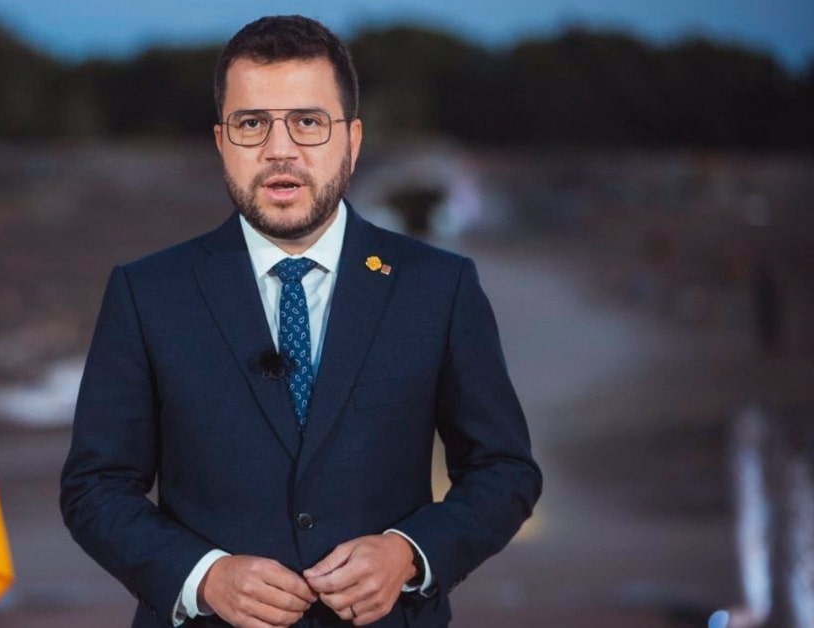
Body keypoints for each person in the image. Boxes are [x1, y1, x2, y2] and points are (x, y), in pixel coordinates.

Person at [60, 15, 541, 628]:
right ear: (220, 141)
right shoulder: (146, 291)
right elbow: (95, 487)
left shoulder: (438, 286)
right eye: (251, 123)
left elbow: (504, 470)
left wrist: (408, 554)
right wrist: (201, 576)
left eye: (308, 122)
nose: (279, 149)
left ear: (353, 139)